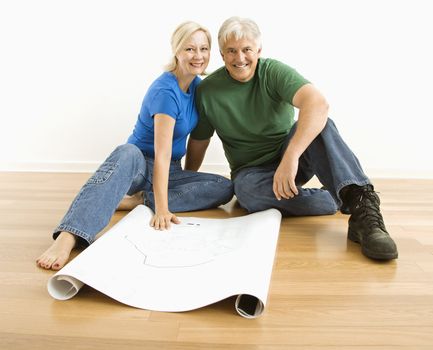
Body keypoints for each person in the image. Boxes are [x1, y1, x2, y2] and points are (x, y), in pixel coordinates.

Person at [185, 16, 398, 261]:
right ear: (222, 55)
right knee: (245, 192)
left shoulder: (273, 72)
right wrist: (188, 180)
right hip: (252, 174)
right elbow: (199, 141)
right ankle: (332, 197)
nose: (240, 58)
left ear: (259, 51)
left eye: (246, 50)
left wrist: (291, 158)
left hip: (292, 161)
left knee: (321, 124)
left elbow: (318, 103)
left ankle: (364, 211)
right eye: (231, 51)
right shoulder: (207, 90)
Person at [36, 21, 234, 270]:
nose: (198, 56)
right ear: (177, 51)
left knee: (224, 186)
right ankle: (68, 236)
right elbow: (160, 154)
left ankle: (140, 200)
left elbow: (193, 142)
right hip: (139, 163)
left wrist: (187, 177)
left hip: (170, 168)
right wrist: (162, 209)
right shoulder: (165, 91)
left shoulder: (196, 87)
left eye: (204, 49)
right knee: (126, 151)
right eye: (190, 49)